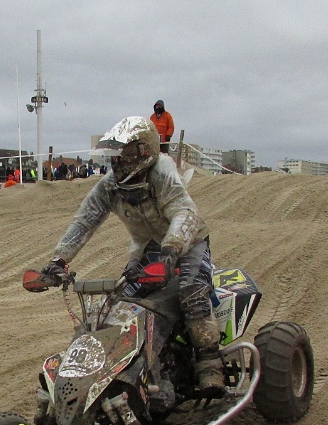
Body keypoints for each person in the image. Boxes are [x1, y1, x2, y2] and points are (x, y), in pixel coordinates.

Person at [38, 116, 223, 390]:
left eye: (125, 154)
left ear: (144, 151)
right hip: (149, 247)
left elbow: (184, 212)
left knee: (191, 292)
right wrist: (60, 259)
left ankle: (210, 363)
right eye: (116, 155)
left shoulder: (162, 172)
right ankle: (136, 366)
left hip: (188, 241)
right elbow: (85, 220)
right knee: (123, 302)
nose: (119, 162)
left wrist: (172, 248)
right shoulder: (110, 186)